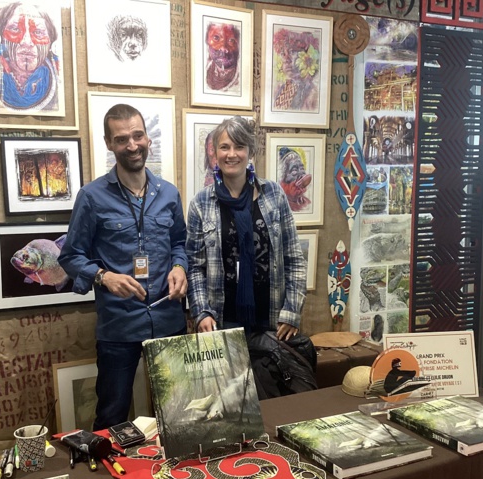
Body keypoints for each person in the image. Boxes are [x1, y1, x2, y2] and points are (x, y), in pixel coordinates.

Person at [58, 104, 188, 431]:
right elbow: (70, 257)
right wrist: (103, 276)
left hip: (169, 320)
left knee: (181, 414)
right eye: (121, 139)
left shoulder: (169, 194)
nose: (132, 145)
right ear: (108, 143)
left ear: (148, 138)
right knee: (112, 416)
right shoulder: (91, 197)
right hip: (119, 326)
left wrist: (180, 266)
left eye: (137, 135)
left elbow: (180, 243)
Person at [186, 116, 306, 341]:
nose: (232, 154)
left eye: (239, 146)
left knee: (269, 377)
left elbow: (294, 259)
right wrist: (201, 311)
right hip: (221, 321)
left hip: (272, 320)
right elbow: (194, 267)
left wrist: (291, 311)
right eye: (224, 147)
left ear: (251, 151)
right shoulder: (200, 203)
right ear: (215, 152)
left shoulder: (274, 194)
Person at [0, 2, 60, 112]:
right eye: (15, 29)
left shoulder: (58, 81)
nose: (26, 42)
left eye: (38, 32)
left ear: (51, 41)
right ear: (1, 37)